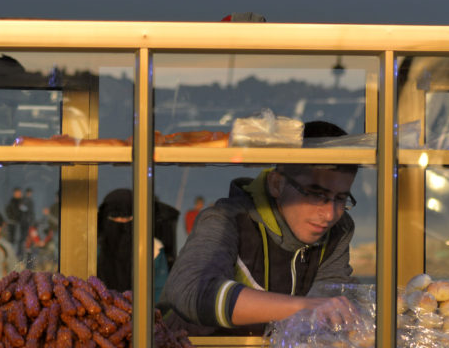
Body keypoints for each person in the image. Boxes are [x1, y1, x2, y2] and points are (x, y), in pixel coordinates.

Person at [160, 121, 358, 336]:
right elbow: (192, 291)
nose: (329, 214)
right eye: (316, 194)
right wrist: (303, 306)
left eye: (340, 198)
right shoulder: (225, 219)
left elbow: (330, 305)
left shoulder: (339, 229)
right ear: (276, 184)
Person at [96, 189, 174, 301]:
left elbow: (160, 293)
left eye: (128, 217)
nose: (122, 222)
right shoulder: (93, 250)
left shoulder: (153, 250)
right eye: (115, 217)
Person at [4, 187, 28, 254]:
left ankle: (18, 255)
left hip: (21, 224)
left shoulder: (23, 202)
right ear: (14, 193)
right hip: (13, 223)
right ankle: (12, 255)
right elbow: (8, 211)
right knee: (13, 240)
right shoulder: (12, 202)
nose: (19, 194)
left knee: (21, 240)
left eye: (20, 193)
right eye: (17, 193)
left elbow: (26, 212)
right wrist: (13, 218)